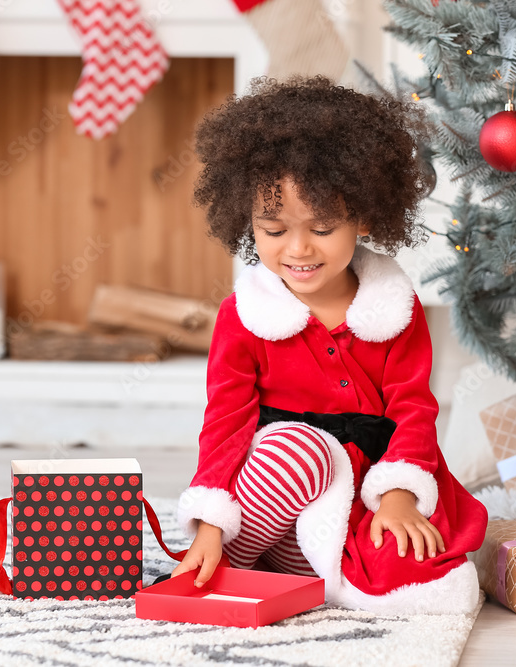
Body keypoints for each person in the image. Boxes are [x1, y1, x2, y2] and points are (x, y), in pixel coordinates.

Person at [172, 76, 489, 614]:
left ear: (363, 215)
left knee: (420, 565)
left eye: (321, 227)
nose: (298, 249)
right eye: (273, 231)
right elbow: (225, 421)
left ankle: (308, 562)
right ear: (248, 222)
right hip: (276, 478)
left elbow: (413, 408)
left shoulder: (395, 310)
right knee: (297, 448)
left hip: (368, 485)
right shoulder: (244, 316)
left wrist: (397, 497)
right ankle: (240, 557)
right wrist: (209, 527)